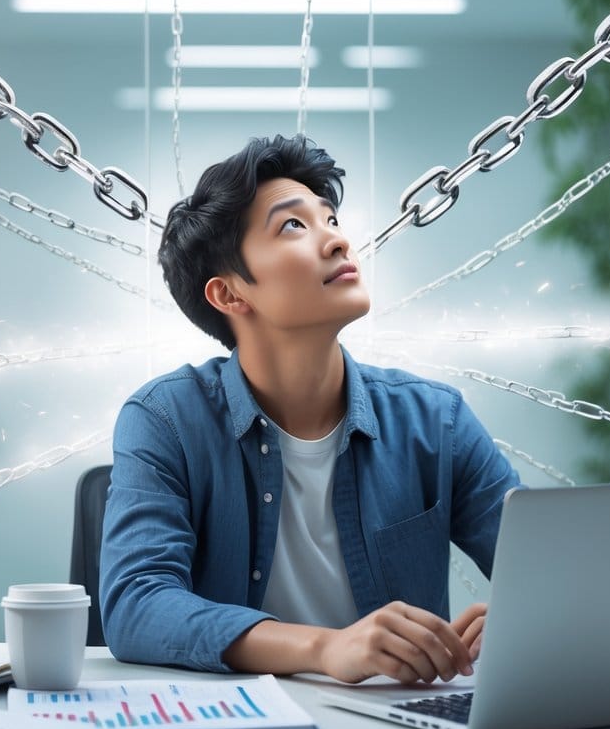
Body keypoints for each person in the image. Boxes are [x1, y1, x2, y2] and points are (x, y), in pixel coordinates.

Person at [100, 134, 521, 684]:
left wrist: (531, 613)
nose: (336, 242)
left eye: (331, 219)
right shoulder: (165, 420)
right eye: (293, 226)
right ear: (229, 295)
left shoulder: (435, 420)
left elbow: (554, 572)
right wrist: (326, 648)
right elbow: (136, 604)